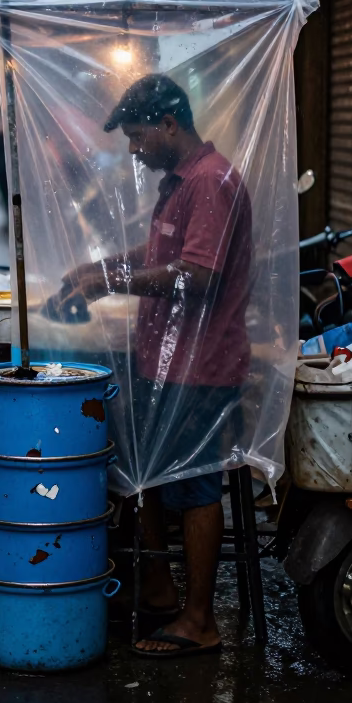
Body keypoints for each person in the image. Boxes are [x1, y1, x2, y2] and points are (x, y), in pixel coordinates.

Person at [56, 74, 252, 659]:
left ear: (170, 125)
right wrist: (100, 267)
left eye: (139, 137)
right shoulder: (179, 184)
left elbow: (200, 275)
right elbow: (162, 255)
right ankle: (161, 593)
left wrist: (110, 282)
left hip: (202, 365)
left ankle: (199, 621)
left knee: (195, 486)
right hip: (162, 357)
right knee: (142, 469)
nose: (135, 150)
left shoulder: (211, 183)